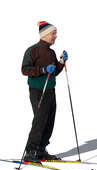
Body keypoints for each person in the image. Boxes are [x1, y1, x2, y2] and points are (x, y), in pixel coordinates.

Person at [21, 21, 68, 162]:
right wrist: (42, 70)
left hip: (50, 90)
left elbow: (54, 73)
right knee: (40, 120)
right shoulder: (32, 50)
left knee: (49, 120)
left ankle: (41, 150)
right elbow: (24, 69)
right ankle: (30, 151)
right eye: (53, 33)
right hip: (37, 91)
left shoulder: (51, 52)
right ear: (46, 35)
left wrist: (61, 62)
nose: (56, 36)